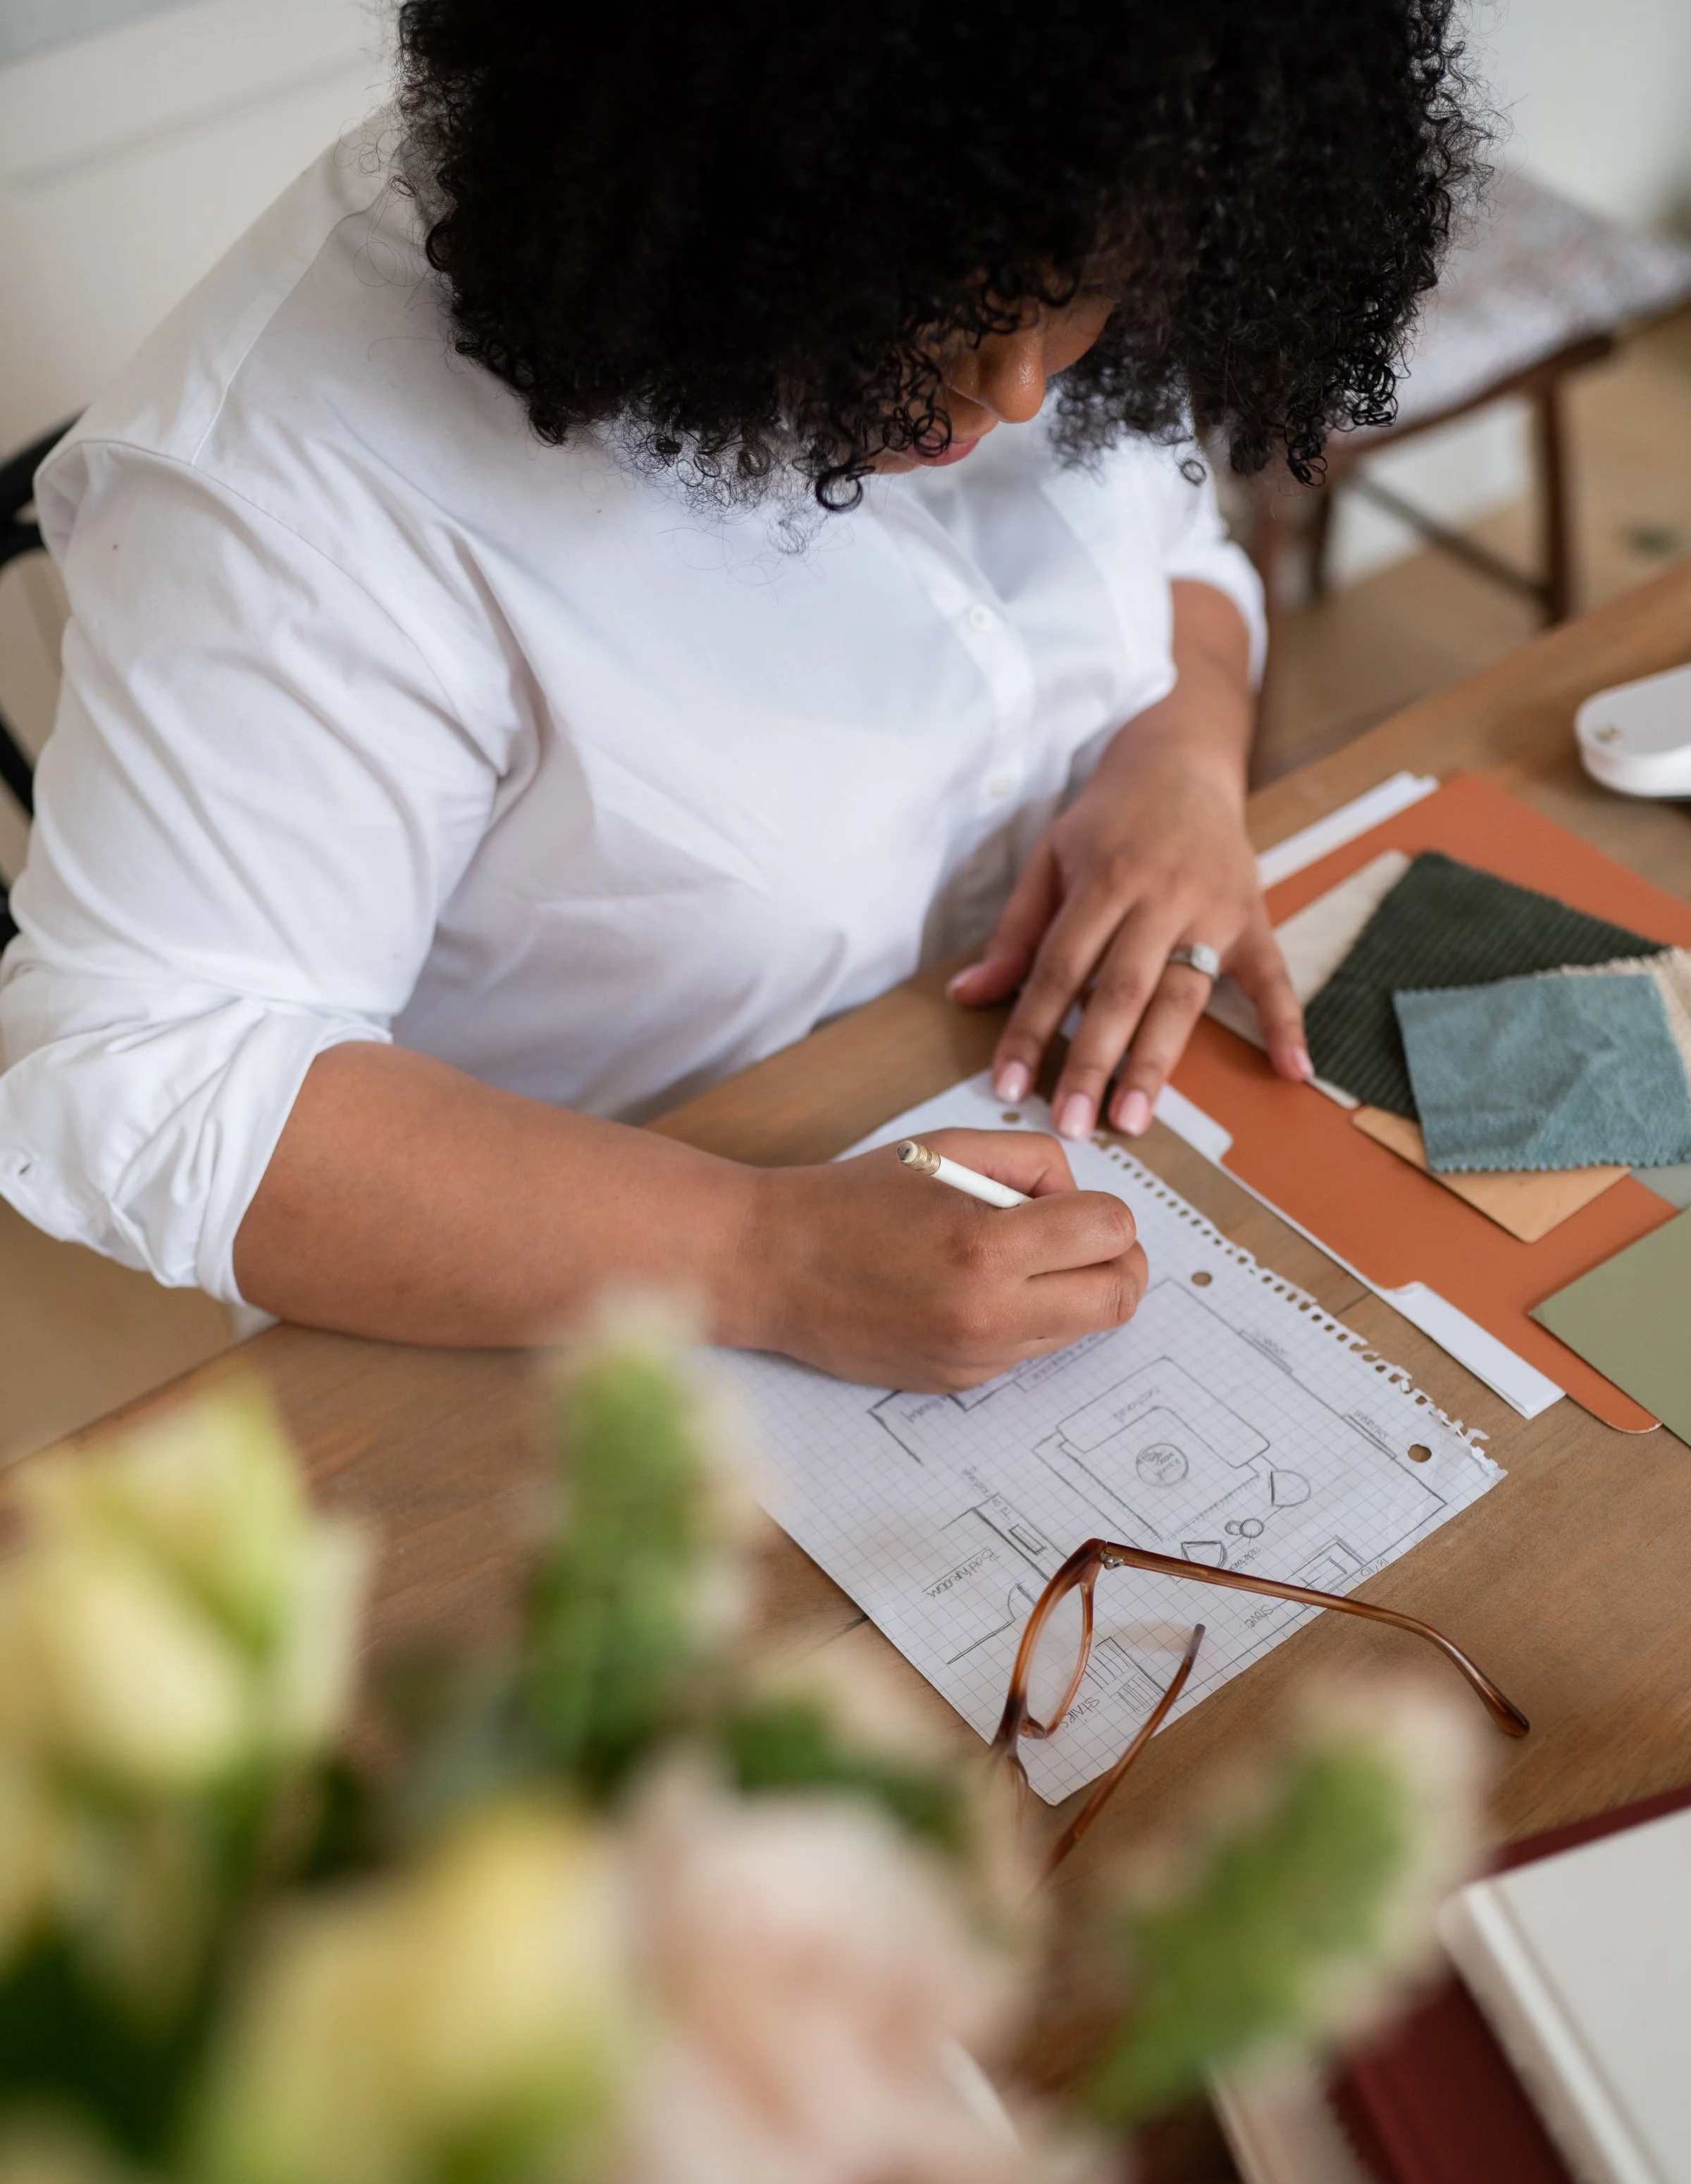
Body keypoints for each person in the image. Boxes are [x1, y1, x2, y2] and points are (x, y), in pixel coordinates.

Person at [0, 1, 1478, 1392]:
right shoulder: (296, 489)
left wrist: (1180, 761)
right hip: (586, 1312)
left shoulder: (1080, 140)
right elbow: (149, 1075)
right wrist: (759, 1253)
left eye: (1084, 291)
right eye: (944, 308)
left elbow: (1174, 556)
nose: (1021, 388)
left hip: (1021, 1143)